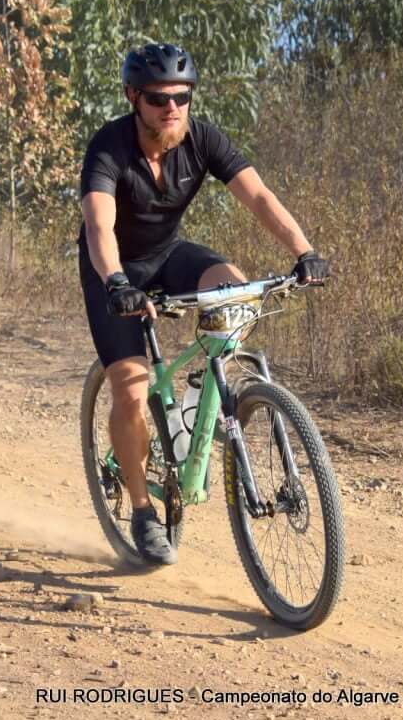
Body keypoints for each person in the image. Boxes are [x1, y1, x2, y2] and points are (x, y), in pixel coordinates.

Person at [79, 43, 329, 566]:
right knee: (131, 387)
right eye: (157, 98)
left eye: (182, 97)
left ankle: (197, 395)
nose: (171, 108)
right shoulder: (109, 146)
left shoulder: (202, 138)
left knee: (236, 291)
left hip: (168, 254)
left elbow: (259, 197)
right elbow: (99, 224)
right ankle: (143, 512)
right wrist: (117, 282)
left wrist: (303, 251)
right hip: (113, 270)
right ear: (133, 98)